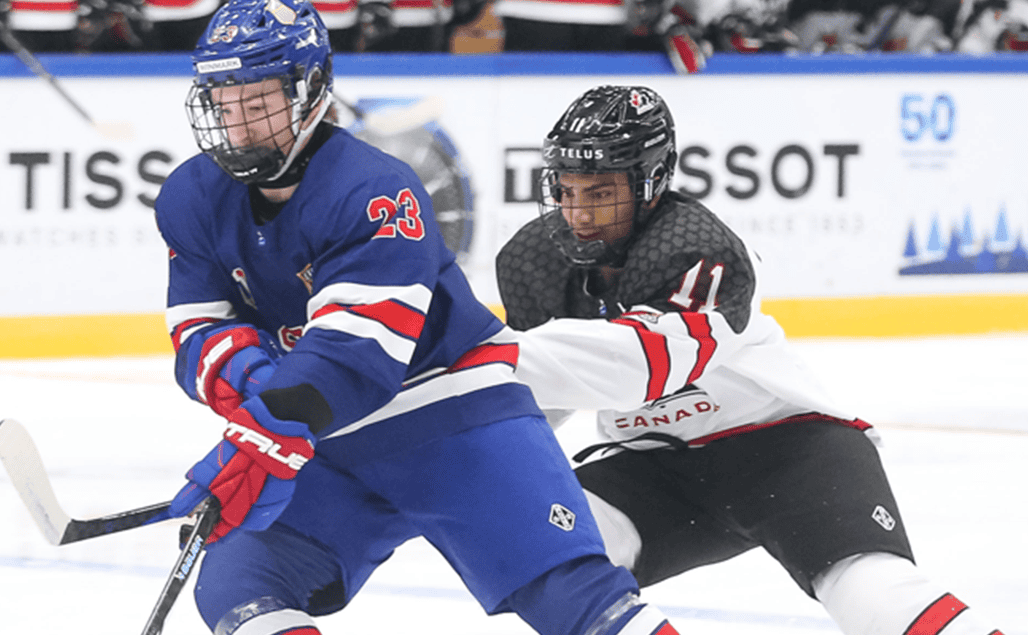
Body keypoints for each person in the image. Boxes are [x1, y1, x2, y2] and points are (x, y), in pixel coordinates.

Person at [152, 4, 683, 635]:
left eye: (259, 101)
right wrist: (259, 394)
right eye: (225, 103)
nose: (240, 125)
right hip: (328, 438)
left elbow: (355, 357)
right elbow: (198, 330)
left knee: (577, 602)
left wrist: (266, 430)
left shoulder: (376, 190)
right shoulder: (191, 195)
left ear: (313, 87)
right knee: (241, 584)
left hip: (454, 415)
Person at [495, 85, 1007, 635]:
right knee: (538, 546)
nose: (579, 215)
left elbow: (640, 368)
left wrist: (483, 359)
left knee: (872, 591)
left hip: (787, 450)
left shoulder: (699, 249)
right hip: (655, 466)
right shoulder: (535, 263)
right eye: (567, 192)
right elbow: (537, 401)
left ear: (650, 183)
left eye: (600, 194)